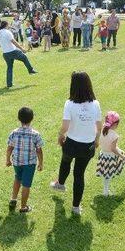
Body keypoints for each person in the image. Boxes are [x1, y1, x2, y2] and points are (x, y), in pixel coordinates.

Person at [50, 72, 102, 215]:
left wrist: (60, 136)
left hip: (72, 143)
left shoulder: (69, 104)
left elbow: (65, 126)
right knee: (79, 174)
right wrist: (97, 140)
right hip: (88, 145)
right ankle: (76, 207)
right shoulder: (95, 104)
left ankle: (60, 184)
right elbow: (99, 126)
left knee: (65, 161)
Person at [6, 107, 43, 213]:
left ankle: (13, 199)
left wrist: (8, 160)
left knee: (17, 178)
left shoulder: (14, 133)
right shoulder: (35, 134)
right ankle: (23, 207)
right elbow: (39, 150)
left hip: (17, 162)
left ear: (19, 118)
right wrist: (41, 163)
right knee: (26, 184)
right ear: (32, 119)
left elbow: (9, 148)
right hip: (29, 163)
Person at [96, 111, 125, 196]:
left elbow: (109, 145)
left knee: (106, 175)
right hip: (110, 157)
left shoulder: (101, 130)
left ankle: (105, 190)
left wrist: (120, 151)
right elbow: (113, 148)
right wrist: (122, 156)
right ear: (115, 124)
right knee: (108, 175)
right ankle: (105, 191)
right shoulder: (114, 135)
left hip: (103, 155)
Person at [0, 21, 36, 89]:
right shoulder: (8, 32)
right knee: (24, 57)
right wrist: (22, 49)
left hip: (5, 53)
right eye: (8, 24)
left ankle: (9, 84)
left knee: (9, 67)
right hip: (12, 51)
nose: (9, 25)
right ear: (6, 25)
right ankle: (30, 70)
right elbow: (14, 42)